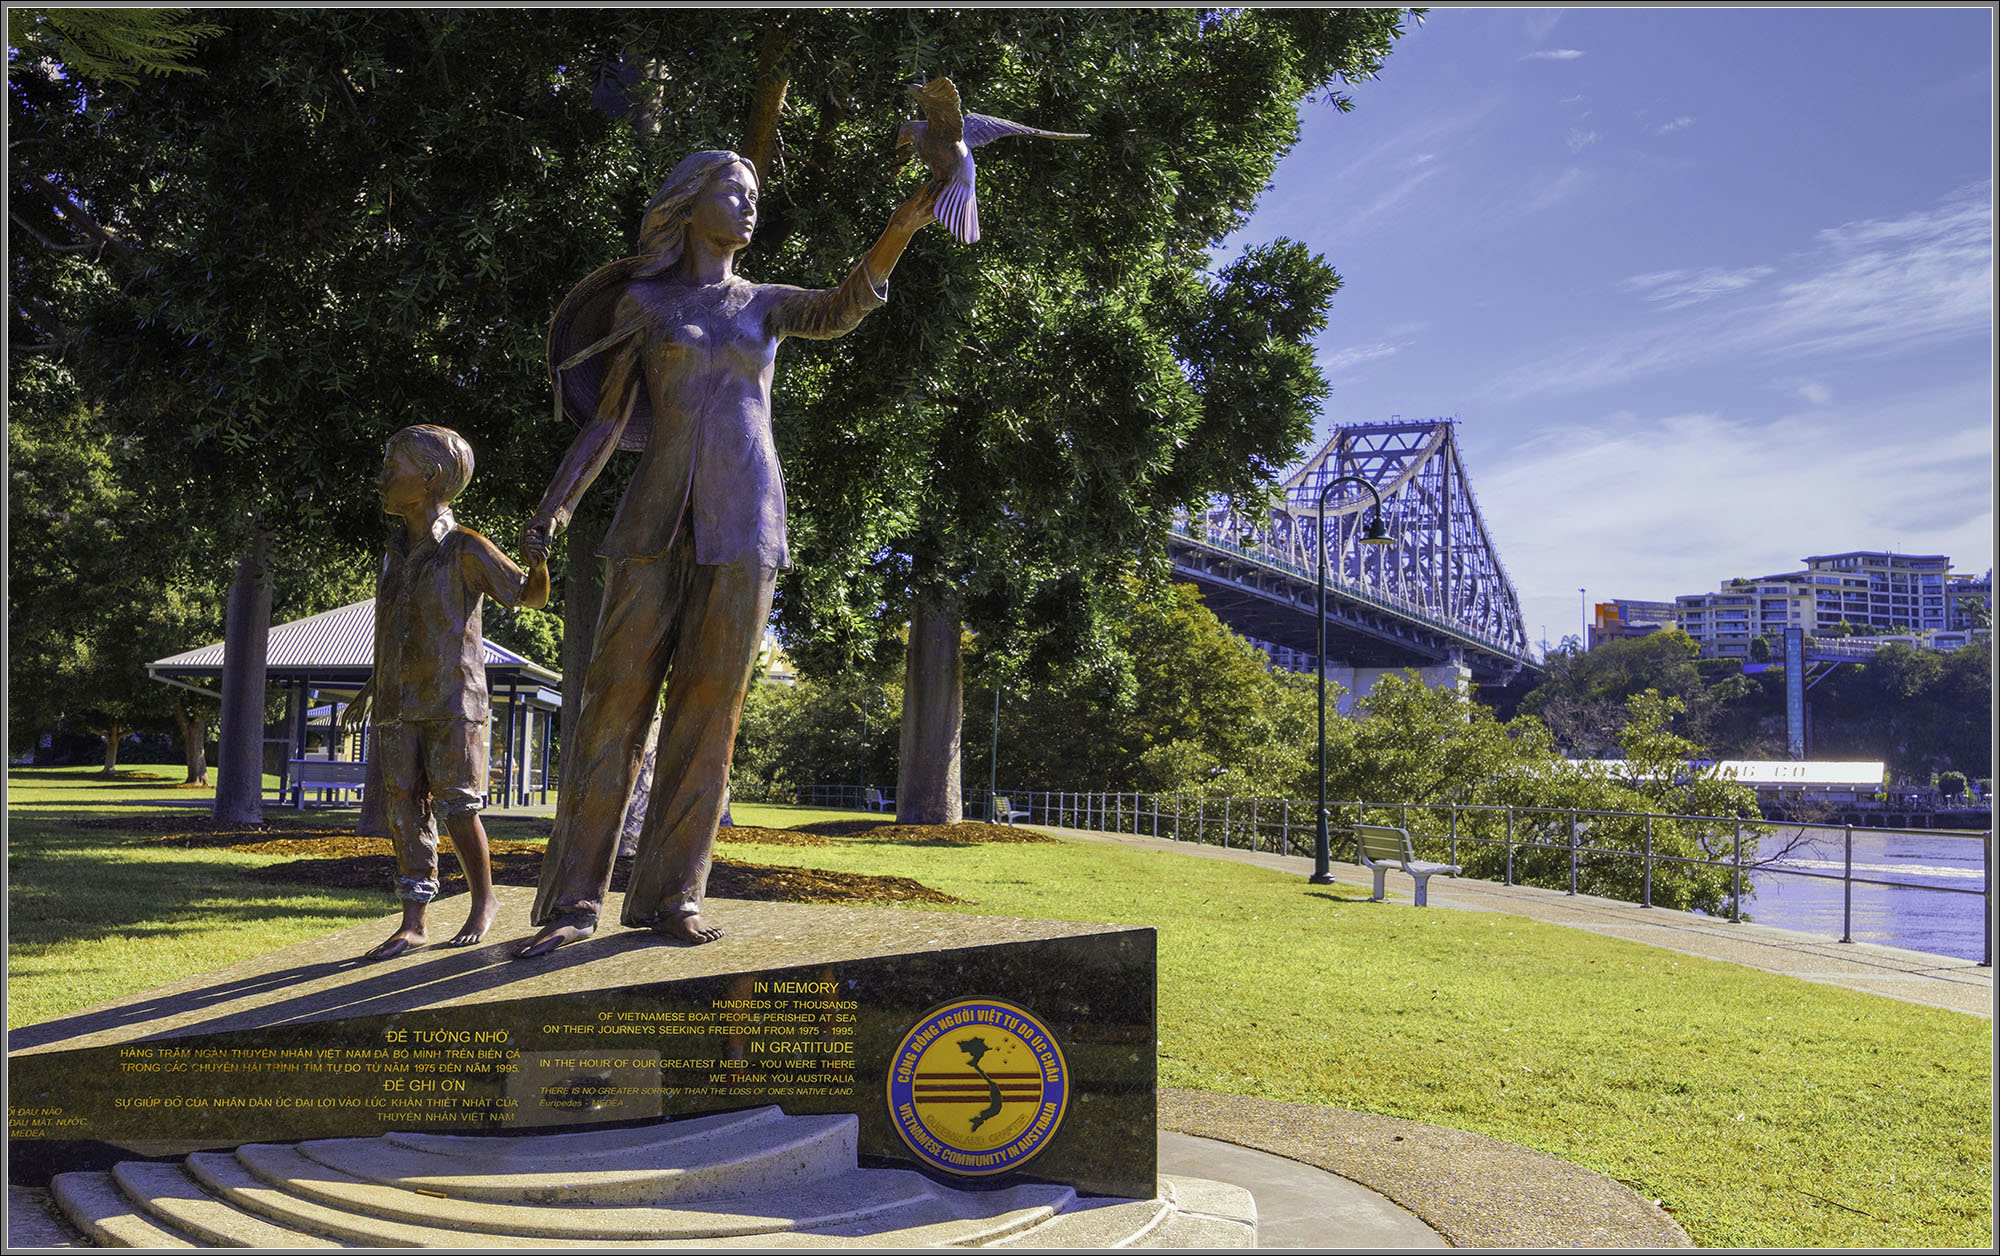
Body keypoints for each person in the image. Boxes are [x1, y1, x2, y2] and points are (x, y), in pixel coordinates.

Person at [516, 150, 936, 958]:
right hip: (652, 523)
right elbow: (607, 421)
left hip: (746, 521)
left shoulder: (766, 305)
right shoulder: (643, 302)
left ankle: (673, 892)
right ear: (686, 204)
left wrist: (900, 229)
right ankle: (573, 901)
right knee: (612, 713)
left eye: (753, 196)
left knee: (711, 717)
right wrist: (554, 511)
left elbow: (842, 306)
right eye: (731, 193)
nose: (748, 207)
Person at [344, 424, 550, 959]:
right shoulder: (392, 554)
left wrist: (538, 562)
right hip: (396, 702)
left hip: (454, 701)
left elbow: (528, 597)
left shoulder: (465, 548)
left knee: (459, 806)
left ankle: (484, 901)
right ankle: (413, 920)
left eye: (393, 465)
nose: (382, 476)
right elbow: (393, 633)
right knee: (405, 809)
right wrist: (370, 687)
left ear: (431, 476)